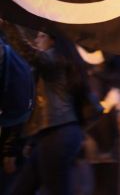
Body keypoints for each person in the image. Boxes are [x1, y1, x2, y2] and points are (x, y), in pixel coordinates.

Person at [1, 22, 87, 195]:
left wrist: (9, 24)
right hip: (52, 134)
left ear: (53, 41)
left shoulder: (54, 59)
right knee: (22, 189)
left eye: (41, 36)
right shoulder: (53, 65)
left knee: (55, 189)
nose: (37, 39)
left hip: (58, 133)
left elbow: (30, 54)